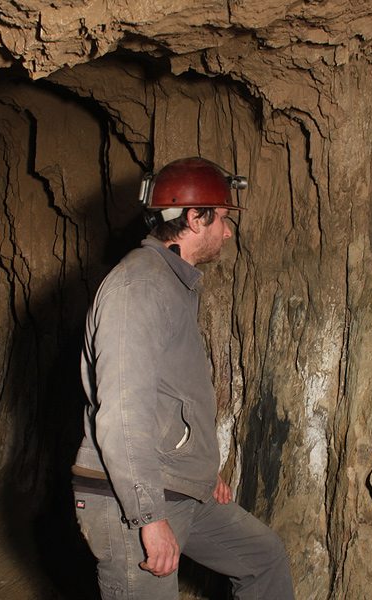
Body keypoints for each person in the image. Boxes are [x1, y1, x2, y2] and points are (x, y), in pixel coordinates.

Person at [72, 157, 295, 600]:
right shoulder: (139, 287)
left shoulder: (172, 282)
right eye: (223, 219)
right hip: (130, 499)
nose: (227, 232)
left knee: (263, 558)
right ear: (195, 219)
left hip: (177, 485)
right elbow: (122, 412)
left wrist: (199, 470)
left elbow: (173, 394)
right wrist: (149, 518)